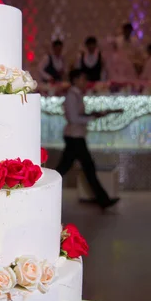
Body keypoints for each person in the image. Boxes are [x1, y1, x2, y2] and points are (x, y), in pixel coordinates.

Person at [56, 69, 119, 209]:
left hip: (75, 136)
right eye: (83, 79)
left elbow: (78, 115)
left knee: (71, 168)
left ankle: (103, 199)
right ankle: (103, 199)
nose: (85, 82)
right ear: (75, 80)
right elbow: (73, 118)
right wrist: (92, 117)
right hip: (74, 137)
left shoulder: (76, 95)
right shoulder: (72, 96)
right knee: (82, 168)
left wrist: (93, 115)